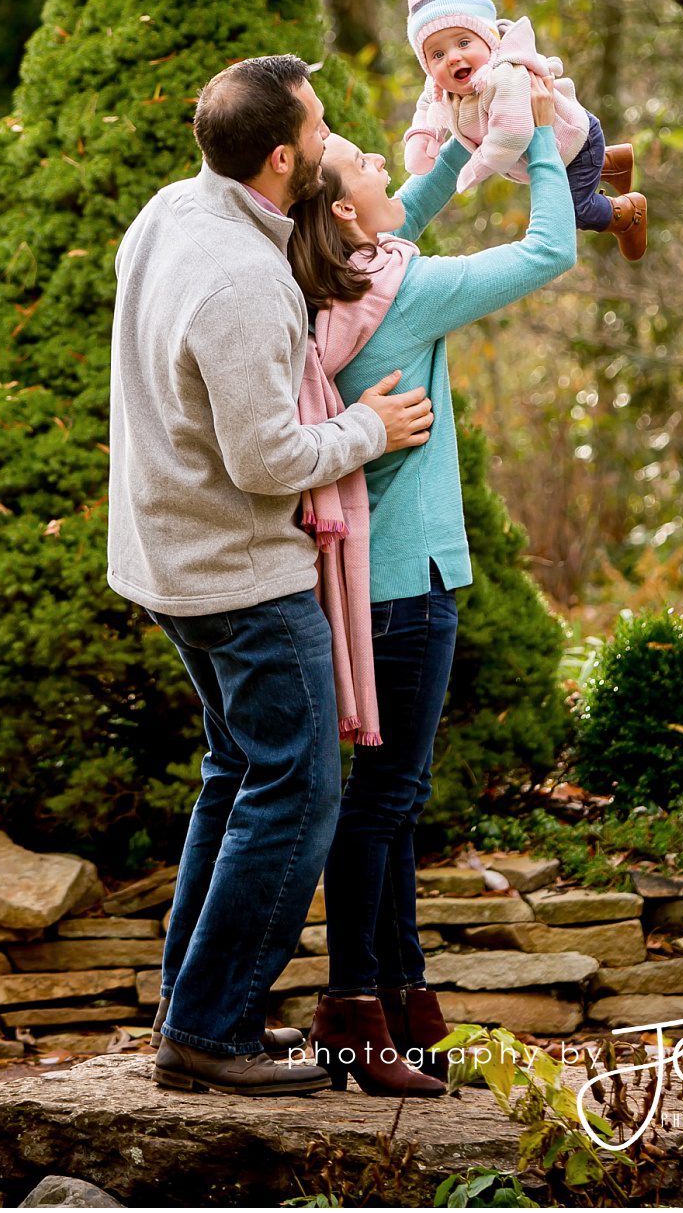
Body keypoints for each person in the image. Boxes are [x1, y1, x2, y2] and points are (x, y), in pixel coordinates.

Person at [107, 53, 435, 1096]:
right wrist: (367, 428)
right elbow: (267, 461)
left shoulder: (171, 211)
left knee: (237, 773)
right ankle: (214, 1032)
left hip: (166, 558)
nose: (336, 138)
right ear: (283, 155)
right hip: (241, 574)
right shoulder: (245, 281)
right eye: (322, 124)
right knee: (301, 789)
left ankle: (193, 1012)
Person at [287, 74, 575, 1092]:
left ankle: (402, 997)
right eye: (365, 161)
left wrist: (457, 149)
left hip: (374, 580)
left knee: (390, 802)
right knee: (385, 803)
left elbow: (398, 214)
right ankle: (353, 1005)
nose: (381, 164)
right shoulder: (400, 290)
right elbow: (552, 250)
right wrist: (539, 141)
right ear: (341, 213)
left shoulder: (332, 287)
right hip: (406, 584)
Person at [401, 0, 648, 258]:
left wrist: (474, 169)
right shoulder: (441, 85)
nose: (451, 57)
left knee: (572, 210)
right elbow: (427, 105)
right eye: (436, 55)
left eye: (463, 43)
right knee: (563, 177)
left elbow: (512, 134)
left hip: (575, 143)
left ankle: (626, 213)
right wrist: (421, 137)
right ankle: (615, 162)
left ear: (488, 40)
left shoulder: (503, 78)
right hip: (552, 149)